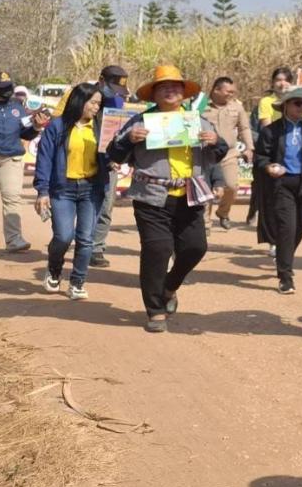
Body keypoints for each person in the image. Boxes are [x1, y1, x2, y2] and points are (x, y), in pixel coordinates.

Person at [107, 65, 229, 333]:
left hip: (190, 195)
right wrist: (128, 139)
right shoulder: (140, 121)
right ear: (154, 94)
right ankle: (155, 309)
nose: (170, 90)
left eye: (176, 86)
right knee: (158, 250)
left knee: (195, 247)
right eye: (163, 87)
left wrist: (216, 141)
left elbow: (218, 154)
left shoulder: (198, 121)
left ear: (184, 92)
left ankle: (169, 286)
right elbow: (114, 153)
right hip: (151, 196)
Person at [33, 83, 108, 299]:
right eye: (93, 102)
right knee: (64, 236)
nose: (96, 107)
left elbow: (111, 154)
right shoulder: (57, 126)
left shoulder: (101, 127)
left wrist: (112, 160)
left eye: (99, 104)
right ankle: (54, 270)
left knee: (86, 239)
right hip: (62, 190)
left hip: (91, 189)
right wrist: (42, 191)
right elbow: (44, 158)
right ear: (79, 101)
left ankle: (77, 282)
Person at [254, 86, 302, 294]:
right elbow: (261, 156)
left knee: (300, 228)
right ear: (286, 105)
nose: (301, 107)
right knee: (287, 227)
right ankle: (285, 276)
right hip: (282, 184)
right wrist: (267, 166)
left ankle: (284, 256)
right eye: (297, 103)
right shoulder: (271, 130)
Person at [0, 70, 51, 253]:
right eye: (2, 88)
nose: (7, 91)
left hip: (11, 158)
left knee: (12, 198)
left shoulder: (17, 106)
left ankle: (14, 239)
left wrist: (36, 126)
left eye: (9, 87)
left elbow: (25, 133)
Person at [89, 65, 130, 268]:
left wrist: (117, 155)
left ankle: (96, 248)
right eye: (113, 86)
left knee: (106, 205)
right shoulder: (83, 95)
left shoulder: (118, 101)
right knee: (83, 204)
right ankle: (79, 242)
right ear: (101, 80)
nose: (115, 92)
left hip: (108, 160)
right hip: (82, 158)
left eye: (119, 89)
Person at [247, 66, 294, 244]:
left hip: (293, 154)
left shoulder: (298, 100)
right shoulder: (266, 101)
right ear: (273, 83)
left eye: (286, 80)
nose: (282, 83)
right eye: (278, 80)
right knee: (271, 198)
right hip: (272, 152)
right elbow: (267, 127)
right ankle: (273, 239)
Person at [201, 76, 254, 230]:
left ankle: (223, 213)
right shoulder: (201, 105)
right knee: (205, 188)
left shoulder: (237, 107)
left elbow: (244, 128)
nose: (231, 94)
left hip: (228, 154)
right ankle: (205, 224)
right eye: (228, 91)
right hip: (205, 153)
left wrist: (249, 148)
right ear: (216, 90)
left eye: (233, 92)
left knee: (231, 186)